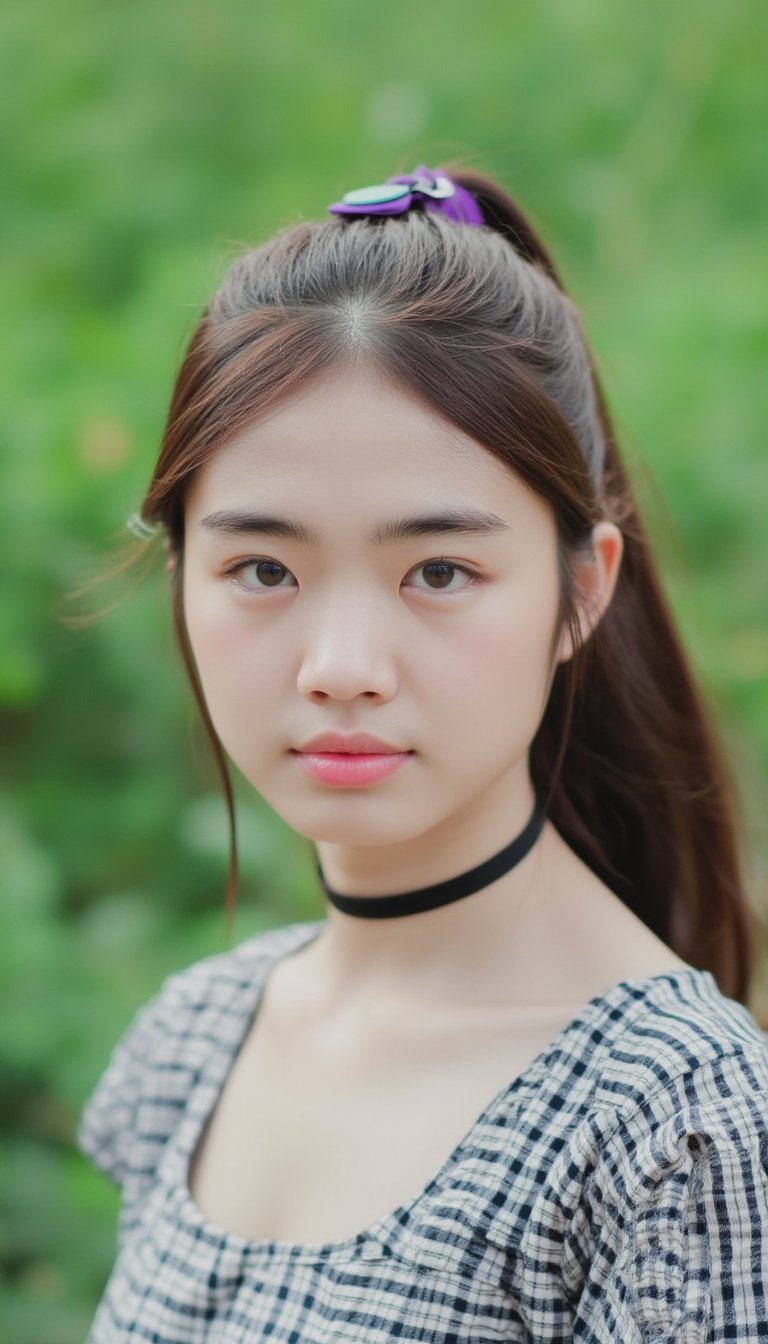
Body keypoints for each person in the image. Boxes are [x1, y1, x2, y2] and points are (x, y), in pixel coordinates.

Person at [77, 165, 768, 1342]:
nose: (340, 664)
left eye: (438, 573)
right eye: (264, 570)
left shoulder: (672, 1122)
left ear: (580, 589)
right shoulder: (192, 1045)